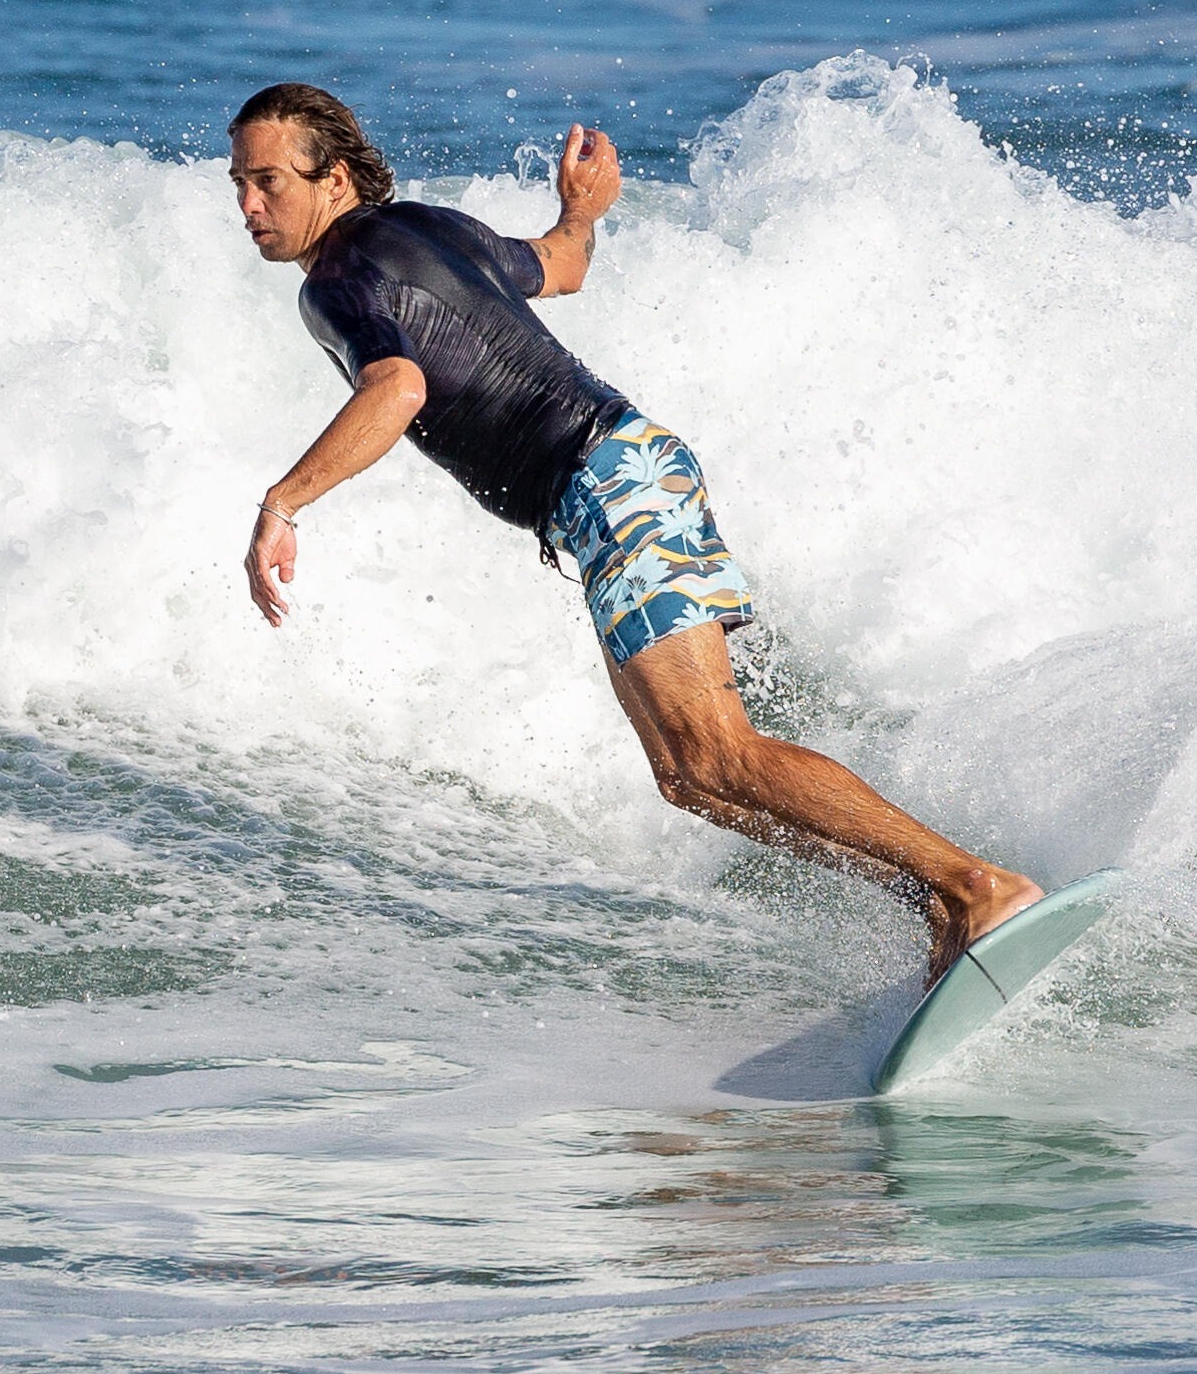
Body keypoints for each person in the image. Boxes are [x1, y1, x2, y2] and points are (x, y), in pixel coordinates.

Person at [226, 80, 1041, 978]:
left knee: (717, 753)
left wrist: (284, 502)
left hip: (610, 484)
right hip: (625, 476)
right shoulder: (430, 227)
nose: (249, 205)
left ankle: (975, 887)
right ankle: (939, 898)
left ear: (334, 179)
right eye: (238, 184)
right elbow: (561, 264)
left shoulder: (336, 283)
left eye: (267, 181)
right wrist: (581, 210)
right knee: (690, 778)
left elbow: (398, 388)